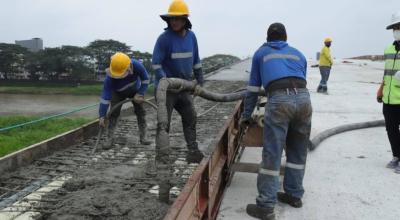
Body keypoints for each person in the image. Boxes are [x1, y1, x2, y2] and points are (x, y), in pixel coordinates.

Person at [240, 23, 312, 220]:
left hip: (279, 100)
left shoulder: (260, 53)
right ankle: (294, 195)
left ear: (268, 38)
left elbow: (253, 89)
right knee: (297, 150)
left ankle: (265, 205)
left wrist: (246, 116)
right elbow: (299, 78)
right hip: (304, 99)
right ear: (285, 38)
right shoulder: (298, 53)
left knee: (272, 153)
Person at [152, 0, 204, 163]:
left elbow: (196, 60)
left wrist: (200, 82)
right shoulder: (164, 39)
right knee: (163, 123)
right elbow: (156, 64)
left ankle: (193, 151)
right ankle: (161, 155)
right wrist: (165, 80)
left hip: (185, 87)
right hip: (166, 90)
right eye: (171, 19)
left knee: (190, 118)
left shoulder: (192, 37)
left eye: (177, 19)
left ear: (185, 20)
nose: (174, 22)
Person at [99, 52, 151, 149]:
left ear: (129, 67)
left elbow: (146, 79)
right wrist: (102, 116)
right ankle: (110, 138)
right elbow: (105, 98)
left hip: (135, 90)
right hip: (117, 93)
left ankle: (144, 136)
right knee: (113, 113)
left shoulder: (137, 65)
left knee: (140, 112)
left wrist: (140, 93)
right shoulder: (109, 79)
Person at [377, 11, 400, 174]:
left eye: (398, 27)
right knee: (391, 129)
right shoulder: (389, 48)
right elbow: (387, 73)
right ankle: (397, 156)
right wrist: (381, 89)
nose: (396, 30)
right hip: (389, 98)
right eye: (394, 27)